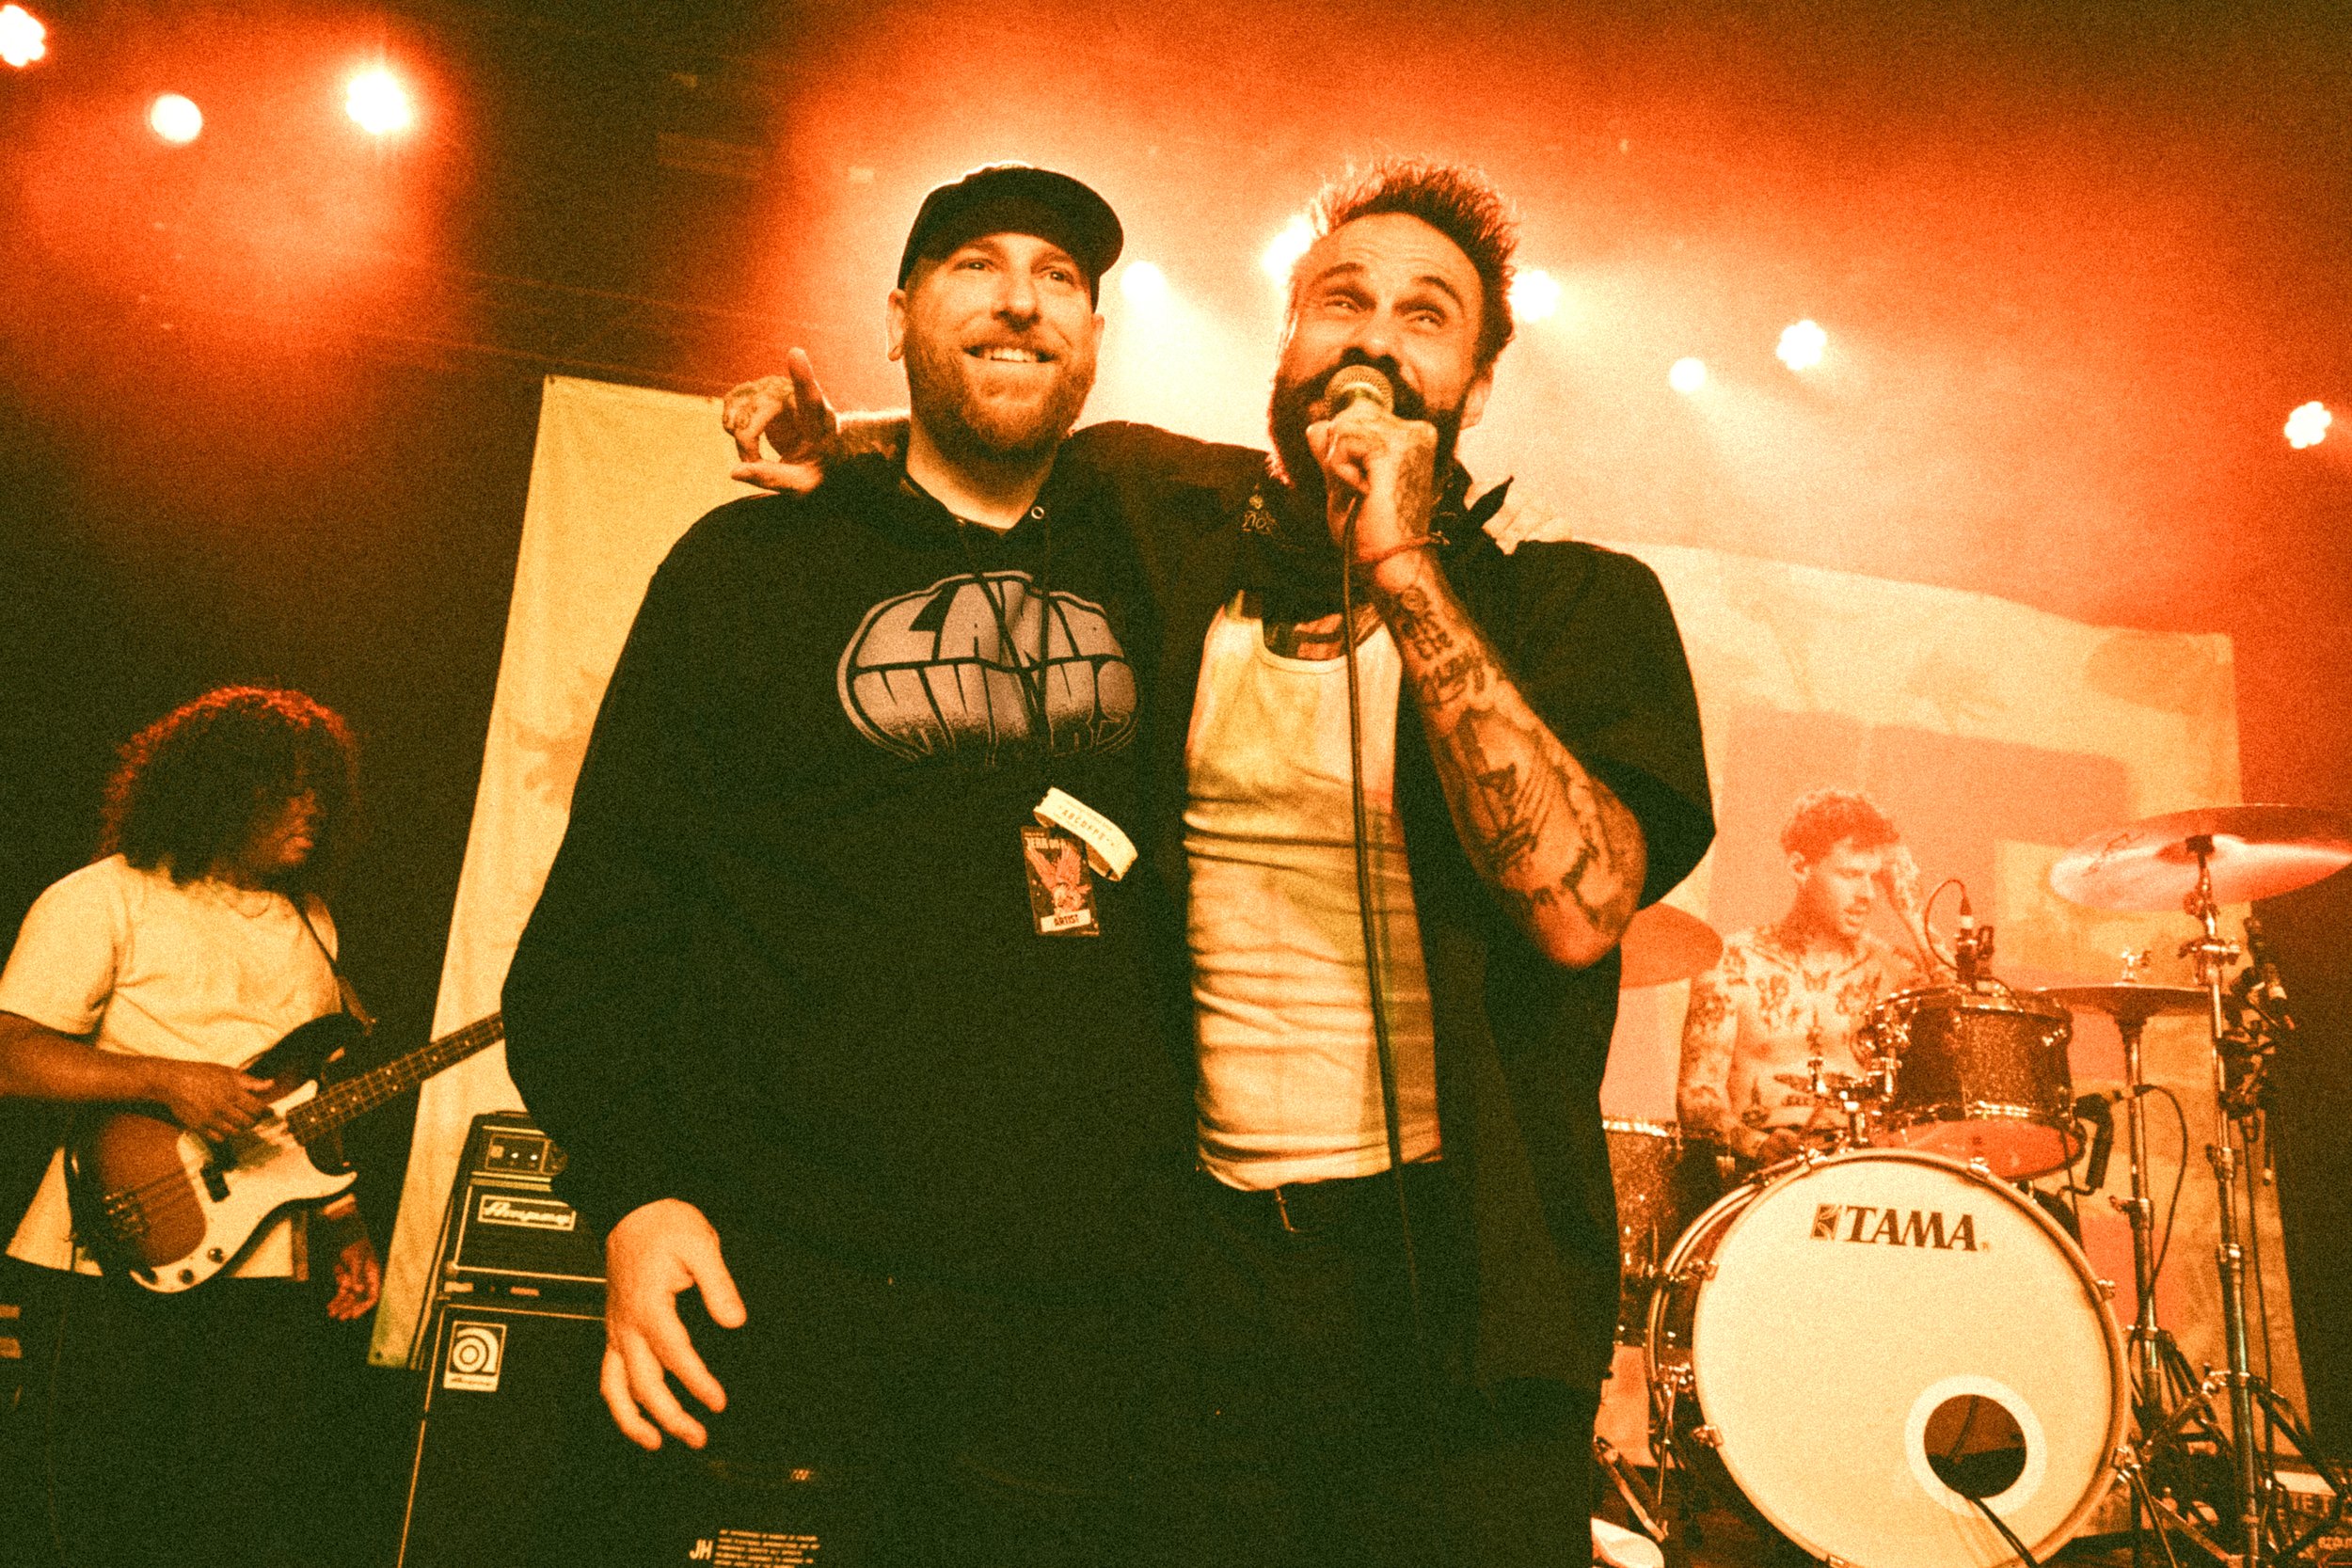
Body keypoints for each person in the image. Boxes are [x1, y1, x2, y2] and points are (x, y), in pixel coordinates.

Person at [725, 158, 1716, 1568]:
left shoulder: (1578, 603)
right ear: (1289, 343)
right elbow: (993, 446)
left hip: (1454, 1298)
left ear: (1479, 385)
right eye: (1339, 302)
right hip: (1184, 1288)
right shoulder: (1162, 522)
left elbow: (1578, 910)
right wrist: (835, 440)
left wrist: (1406, 565)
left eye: (1426, 316)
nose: (1373, 337)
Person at [501, 166, 1196, 1566]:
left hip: (1079, 1323)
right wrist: (633, 1188)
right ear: (895, 315)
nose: (1018, 298)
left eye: (1060, 277)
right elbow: (612, 909)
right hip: (779, 1277)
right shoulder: (751, 562)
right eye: (974, 267)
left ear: (1097, 336)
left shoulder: (1165, 568)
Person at [0, 686, 382, 1568]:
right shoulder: (103, 896)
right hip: (118, 1246)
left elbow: (306, 1094)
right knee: (99, 1511)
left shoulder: (309, 917)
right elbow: (13, 1052)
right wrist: (168, 1080)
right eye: (288, 788)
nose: (312, 809)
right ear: (219, 790)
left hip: (264, 1263)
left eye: (322, 788)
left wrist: (342, 1218)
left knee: (233, 1512)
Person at [1676, 786, 1930, 1167]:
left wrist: (1913, 914)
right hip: (1756, 1179)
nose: (1867, 895)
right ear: (1800, 868)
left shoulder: (1897, 973)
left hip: (1866, 1182)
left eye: (1874, 880)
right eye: (1849, 874)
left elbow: (1974, 1042)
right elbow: (1698, 1094)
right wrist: (1755, 1145)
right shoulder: (1734, 963)